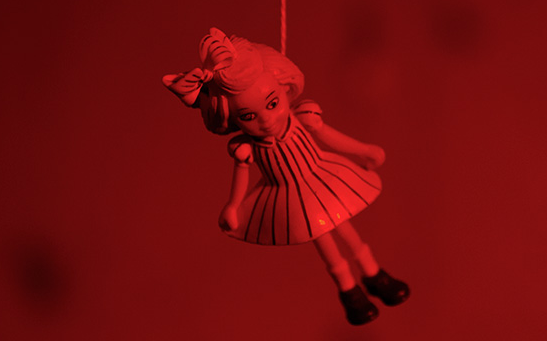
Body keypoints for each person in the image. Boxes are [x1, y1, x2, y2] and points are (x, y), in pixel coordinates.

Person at [163, 28, 409, 325]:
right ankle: (348, 290)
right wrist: (233, 205)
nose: (267, 120)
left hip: (324, 177)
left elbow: (330, 137)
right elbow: (241, 176)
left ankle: (373, 274)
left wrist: (363, 150)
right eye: (248, 116)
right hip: (290, 197)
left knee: (346, 229)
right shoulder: (246, 148)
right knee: (323, 239)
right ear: (232, 119)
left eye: (272, 103)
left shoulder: (305, 118)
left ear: (284, 87)